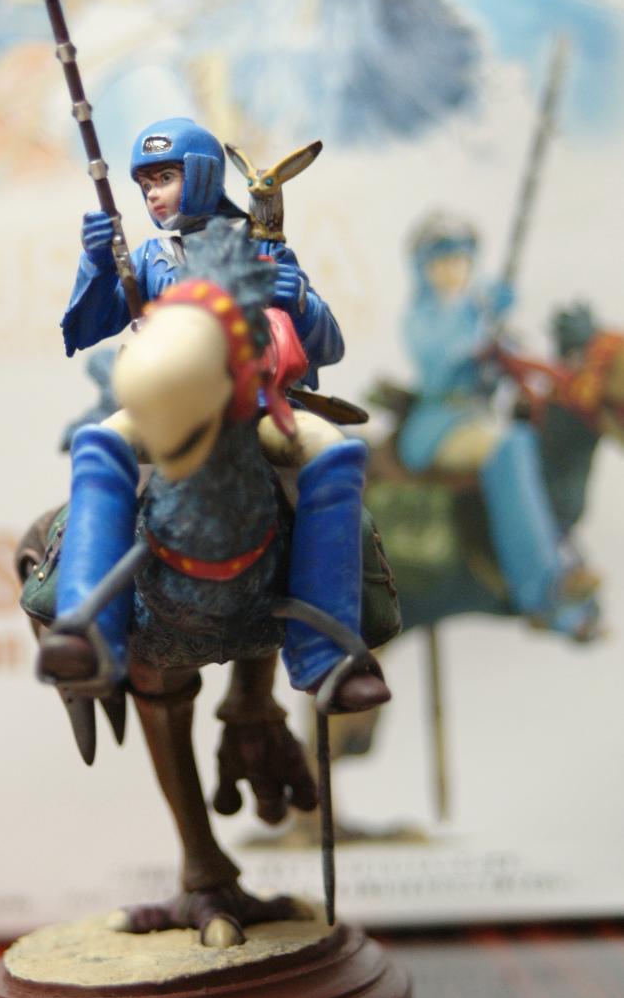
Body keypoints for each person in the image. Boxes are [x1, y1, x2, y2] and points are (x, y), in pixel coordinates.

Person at [397, 210, 598, 639]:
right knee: (510, 447)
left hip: (474, 419)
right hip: (436, 426)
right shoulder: (424, 318)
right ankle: (541, 590)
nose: (453, 270)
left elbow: (508, 359)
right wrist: (477, 316)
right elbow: (442, 357)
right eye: (441, 262)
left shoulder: (474, 313)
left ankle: (562, 559)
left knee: (533, 440)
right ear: (423, 270)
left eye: (460, 260)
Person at [61, 116, 342, 389]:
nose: (152, 194)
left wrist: (302, 304)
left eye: (165, 178)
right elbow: (85, 330)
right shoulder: (150, 259)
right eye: (146, 185)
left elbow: (331, 348)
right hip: (175, 399)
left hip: (256, 397)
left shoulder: (259, 248)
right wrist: (98, 264)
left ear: (201, 174)